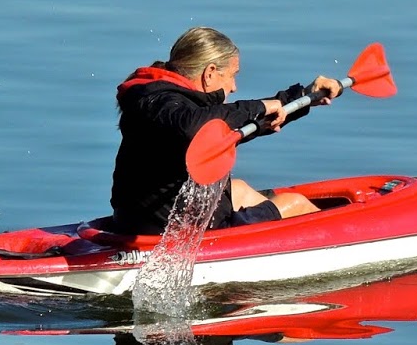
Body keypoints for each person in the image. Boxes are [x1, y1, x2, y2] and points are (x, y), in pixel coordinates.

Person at [108, 27, 343, 234]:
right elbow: (195, 125)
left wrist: (304, 97)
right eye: (232, 76)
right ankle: (343, 239)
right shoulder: (167, 106)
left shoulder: (158, 99)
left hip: (139, 222)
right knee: (295, 203)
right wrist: (258, 107)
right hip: (170, 233)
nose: (234, 87)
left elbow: (232, 124)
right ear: (210, 73)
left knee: (237, 189)